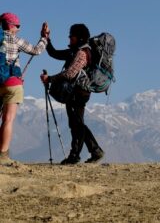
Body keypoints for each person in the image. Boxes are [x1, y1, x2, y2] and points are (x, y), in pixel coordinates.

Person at [40, 23, 104, 165]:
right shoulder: (74, 51)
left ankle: (74, 156)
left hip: (79, 93)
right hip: (76, 92)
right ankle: (95, 151)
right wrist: (46, 38)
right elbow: (54, 53)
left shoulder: (82, 53)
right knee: (76, 123)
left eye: (72, 36)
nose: (69, 38)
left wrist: (50, 79)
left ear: (79, 38)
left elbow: (70, 73)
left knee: (77, 124)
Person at [0, 12, 49, 166]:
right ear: (11, 26)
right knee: (8, 119)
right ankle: (3, 155)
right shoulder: (15, 39)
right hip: (12, 84)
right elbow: (36, 50)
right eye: (18, 26)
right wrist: (44, 38)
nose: (18, 29)